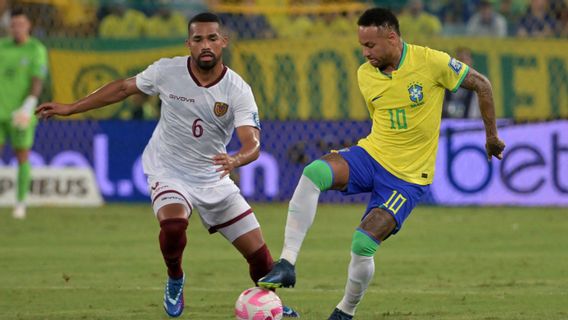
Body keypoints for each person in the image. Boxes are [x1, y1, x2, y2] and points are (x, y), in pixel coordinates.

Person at [36, 12, 298, 318]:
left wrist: (236, 158)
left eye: (212, 38)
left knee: (261, 260)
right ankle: (175, 278)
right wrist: (71, 108)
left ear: (223, 42)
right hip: (168, 169)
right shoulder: (167, 71)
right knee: (173, 225)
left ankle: (272, 306)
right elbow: (123, 88)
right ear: (188, 43)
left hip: (213, 175)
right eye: (198, 39)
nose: (205, 45)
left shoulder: (237, 90)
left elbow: (252, 143)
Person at [258, 7, 506, 320]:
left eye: (370, 46)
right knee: (314, 172)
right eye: (362, 46)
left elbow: (482, 84)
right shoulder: (365, 75)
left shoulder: (431, 62)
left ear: (392, 37)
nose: (365, 53)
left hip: (409, 177)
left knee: (363, 242)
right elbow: (385, 121)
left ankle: (345, 312)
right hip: (372, 155)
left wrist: (492, 136)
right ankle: (287, 263)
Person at [0, 7, 48, 219]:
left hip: (21, 113)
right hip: (0, 111)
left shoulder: (36, 49)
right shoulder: (2, 47)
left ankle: (20, 203)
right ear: (9, 27)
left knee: (22, 155)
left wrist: (29, 104)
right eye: (14, 25)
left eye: (21, 24)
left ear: (28, 25)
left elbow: (37, 79)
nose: (17, 28)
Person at [442, 47, 481, 119]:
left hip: (470, 124)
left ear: (471, 62)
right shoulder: (446, 82)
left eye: (465, 59)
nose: (462, 64)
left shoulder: (479, 83)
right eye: (459, 60)